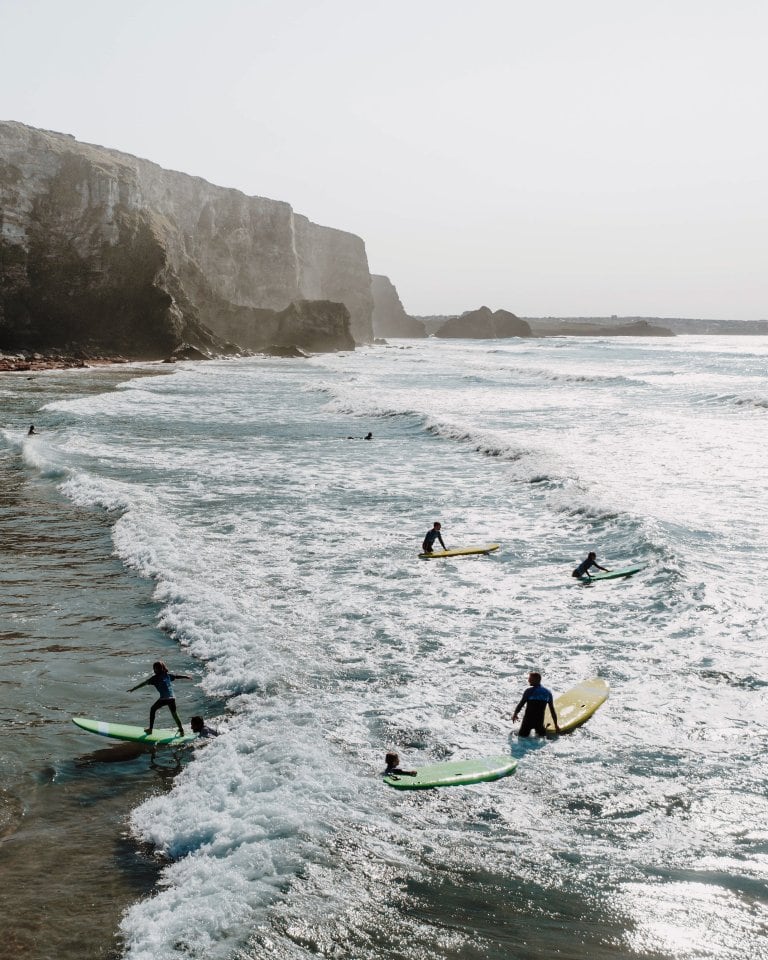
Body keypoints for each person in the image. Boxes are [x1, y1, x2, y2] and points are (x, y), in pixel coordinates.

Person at [128, 661, 191, 736]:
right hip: (172, 698)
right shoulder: (167, 675)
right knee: (174, 714)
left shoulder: (154, 678)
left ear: (155, 669)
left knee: (152, 709)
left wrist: (133, 689)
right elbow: (177, 676)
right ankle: (181, 730)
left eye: (155, 668)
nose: (155, 670)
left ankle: (150, 729)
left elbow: (144, 683)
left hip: (164, 698)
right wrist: (186, 676)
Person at [512, 672, 560, 737]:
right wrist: (556, 725)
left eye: (530, 679)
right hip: (539, 722)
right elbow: (552, 710)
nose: (528, 680)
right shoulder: (548, 693)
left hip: (527, 721)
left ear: (536, 680)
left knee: (522, 740)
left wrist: (515, 714)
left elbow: (521, 704)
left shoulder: (529, 691)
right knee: (541, 739)